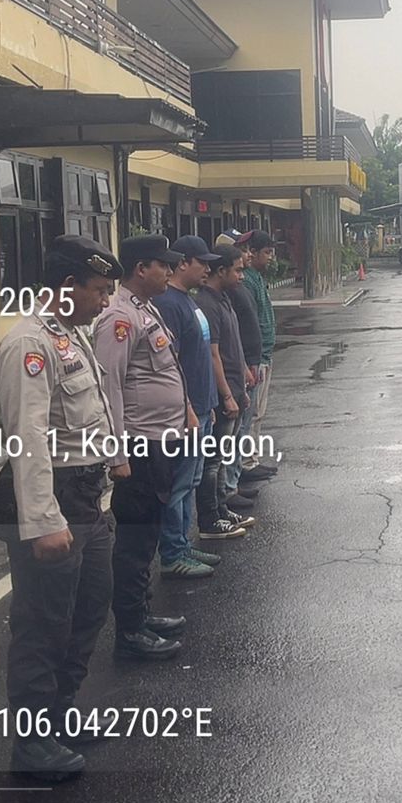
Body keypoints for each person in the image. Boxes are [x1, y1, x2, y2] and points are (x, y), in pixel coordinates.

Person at [0, 234, 124, 781]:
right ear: (68, 286)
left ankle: (60, 712)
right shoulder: (29, 343)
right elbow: (27, 438)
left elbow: (93, 412)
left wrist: (113, 461)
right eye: (100, 290)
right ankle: (31, 743)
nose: (105, 301)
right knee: (43, 624)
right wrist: (43, 521)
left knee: (90, 609)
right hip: (53, 500)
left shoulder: (72, 334)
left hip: (89, 497)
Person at [93, 234, 195, 662]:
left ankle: (143, 612)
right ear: (140, 269)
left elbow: (166, 369)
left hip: (160, 442)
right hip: (139, 446)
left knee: (149, 535)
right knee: (134, 543)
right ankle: (130, 630)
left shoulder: (146, 309)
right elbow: (109, 387)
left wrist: (185, 410)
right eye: (162, 265)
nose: (169, 271)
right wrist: (117, 453)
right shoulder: (119, 318)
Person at [151, 235, 221, 580]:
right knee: (178, 485)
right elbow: (171, 365)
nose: (207, 269)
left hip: (202, 406)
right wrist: (189, 408)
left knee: (191, 481)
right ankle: (172, 553)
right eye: (202, 262)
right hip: (186, 412)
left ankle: (182, 542)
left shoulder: (188, 301)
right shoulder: (168, 304)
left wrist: (210, 402)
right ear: (183, 263)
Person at [195, 246, 255, 540]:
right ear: (221, 271)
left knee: (222, 456)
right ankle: (210, 518)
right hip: (221, 393)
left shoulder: (224, 298)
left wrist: (243, 374)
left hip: (234, 385)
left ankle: (222, 508)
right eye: (238, 270)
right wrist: (227, 395)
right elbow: (213, 353)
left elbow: (234, 345)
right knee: (213, 461)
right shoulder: (206, 304)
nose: (241, 276)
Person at [217, 234, 262, 514]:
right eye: (241, 251)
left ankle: (233, 480)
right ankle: (227, 489)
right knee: (230, 438)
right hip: (235, 376)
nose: (247, 255)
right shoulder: (218, 298)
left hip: (247, 366)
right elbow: (216, 350)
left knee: (242, 429)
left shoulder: (234, 291)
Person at [239, 230, 279, 482]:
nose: (271, 258)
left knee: (258, 411)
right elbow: (250, 323)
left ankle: (251, 458)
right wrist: (255, 358)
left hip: (264, 354)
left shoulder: (257, 279)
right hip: (256, 357)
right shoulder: (247, 282)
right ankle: (246, 463)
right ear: (251, 253)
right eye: (267, 252)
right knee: (251, 412)